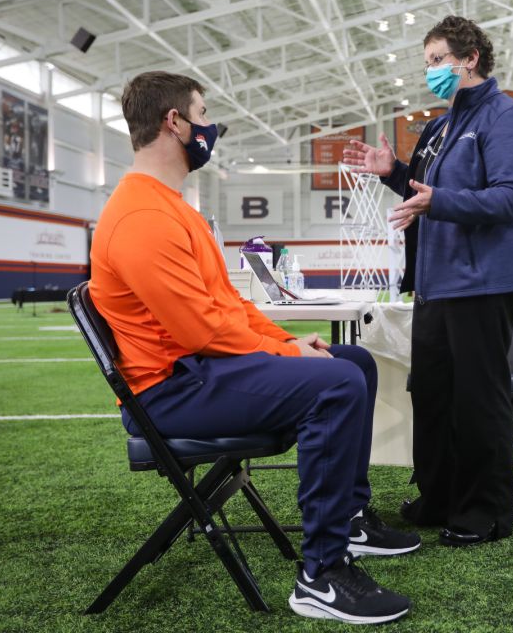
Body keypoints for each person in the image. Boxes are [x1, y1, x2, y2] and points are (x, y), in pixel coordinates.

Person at [88, 71, 418, 625]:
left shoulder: (173, 208)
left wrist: (287, 340)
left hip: (199, 370)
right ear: (174, 122)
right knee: (335, 382)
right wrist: (291, 357)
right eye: (203, 112)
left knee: (353, 361)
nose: (209, 125)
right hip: (170, 390)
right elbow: (201, 331)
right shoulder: (143, 215)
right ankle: (322, 573)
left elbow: (227, 309)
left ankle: (351, 519)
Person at [343, 16, 513, 548]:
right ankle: (438, 497)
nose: (430, 69)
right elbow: (422, 191)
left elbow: (511, 197)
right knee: (430, 393)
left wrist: (440, 200)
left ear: (470, 59)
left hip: (484, 281)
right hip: (438, 283)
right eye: (428, 60)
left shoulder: (506, 117)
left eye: (437, 59)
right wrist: (392, 171)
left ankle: (485, 513)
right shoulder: (441, 126)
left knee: (478, 399)